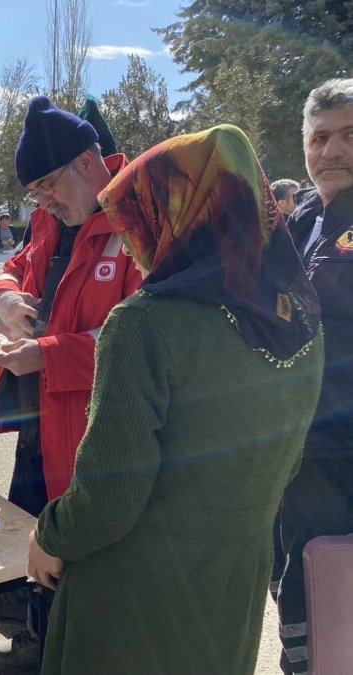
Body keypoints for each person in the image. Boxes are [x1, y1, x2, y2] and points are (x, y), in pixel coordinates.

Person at [28, 124, 324, 675]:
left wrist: (49, 534)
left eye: (140, 222)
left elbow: (108, 498)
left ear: (174, 215)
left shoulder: (145, 325)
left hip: (139, 604)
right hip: (232, 587)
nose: (138, 247)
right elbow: (287, 462)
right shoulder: (300, 320)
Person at [0, 96, 143, 673]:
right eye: (34, 191)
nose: (40, 200)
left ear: (88, 161)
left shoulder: (138, 218)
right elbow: (13, 264)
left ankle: (75, 653)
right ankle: (36, 644)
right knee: (37, 531)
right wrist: (6, 296)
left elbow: (142, 344)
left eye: (46, 184)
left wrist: (48, 354)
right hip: (36, 409)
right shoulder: (50, 215)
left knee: (84, 545)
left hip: (97, 422)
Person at [276, 77, 353, 675]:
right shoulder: (302, 219)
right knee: (298, 606)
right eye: (320, 137)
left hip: (345, 464)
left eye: (350, 135)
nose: (331, 151)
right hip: (294, 461)